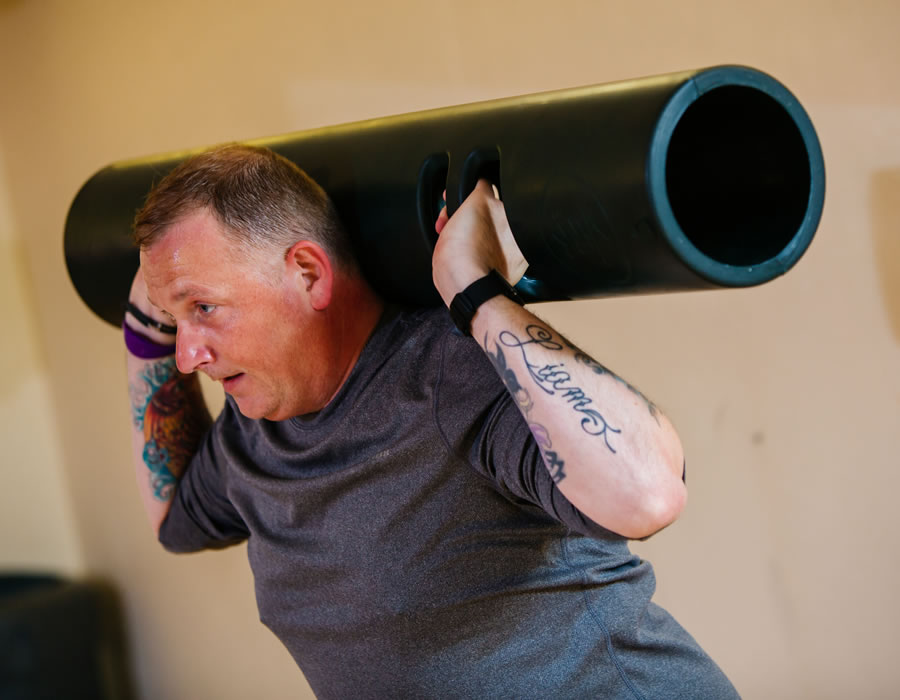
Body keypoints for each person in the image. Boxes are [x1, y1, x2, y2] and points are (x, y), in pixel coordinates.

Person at [123, 143, 738, 698]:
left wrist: (476, 294)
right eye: (176, 319)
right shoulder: (248, 434)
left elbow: (648, 494)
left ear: (308, 273)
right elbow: (175, 520)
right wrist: (141, 337)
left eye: (204, 307)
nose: (187, 354)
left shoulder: (444, 373)